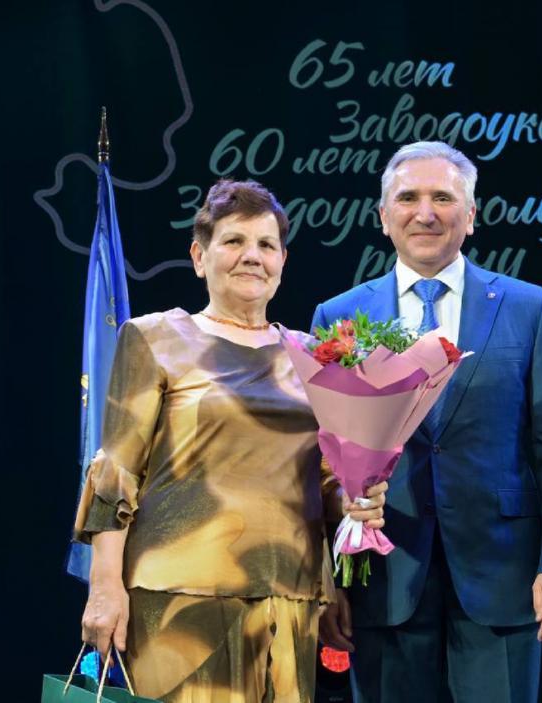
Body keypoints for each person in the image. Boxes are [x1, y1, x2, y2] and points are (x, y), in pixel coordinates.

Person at [73, 179, 387, 703]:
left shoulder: (313, 356)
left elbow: (324, 481)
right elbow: (117, 471)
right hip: (178, 601)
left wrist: (356, 503)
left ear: (282, 261)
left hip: (289, 601)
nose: (252, 256)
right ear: (200, 256)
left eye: (266, 245)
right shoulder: (154, 338)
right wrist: (105, 586)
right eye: (234, 241)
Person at [311, 141, 542, 702]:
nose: (425, 213)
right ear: (383, 216)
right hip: (382, 582)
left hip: (506, 580)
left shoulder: (529, 308)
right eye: (408, 198)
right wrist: (325, 580)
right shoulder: (338, 316)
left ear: (471, 215)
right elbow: (320, 465)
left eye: (443, 197)